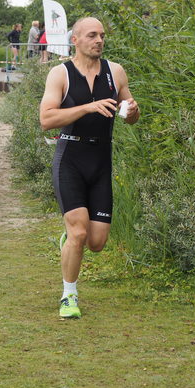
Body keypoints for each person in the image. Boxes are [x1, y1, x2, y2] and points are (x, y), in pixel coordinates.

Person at [39, 17, 140, 319]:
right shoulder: (61, 74)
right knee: (80, 231)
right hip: (70, 157)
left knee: (96, 242)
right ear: (76, 40)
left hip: (101, 161)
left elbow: (130, 115)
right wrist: (87, 107)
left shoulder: (115, 72)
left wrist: (133, 111)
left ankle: (71, 241)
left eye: (102, 36)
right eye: (92, 35)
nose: (99, 40)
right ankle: (69, 297)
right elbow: (46, 119)